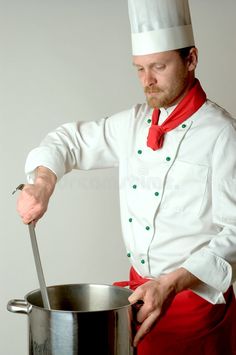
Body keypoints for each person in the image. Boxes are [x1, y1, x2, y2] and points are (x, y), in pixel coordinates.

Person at [17, 0, 236, 354]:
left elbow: (235, 233)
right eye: (139, 69)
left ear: (191, 59)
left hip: (196, 314)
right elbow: (68, 142)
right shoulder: (133, 124)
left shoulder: (222, 134)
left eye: (159, 67)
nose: (147, 81)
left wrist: (170, 283)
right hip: (139, 303)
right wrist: (42, 183)